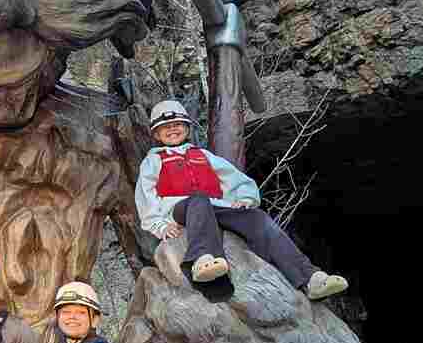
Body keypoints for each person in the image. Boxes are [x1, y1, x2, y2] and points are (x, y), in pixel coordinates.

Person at [135, 99, 350, 299]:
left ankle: (309, 278)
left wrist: (245, 198)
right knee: (198, 200)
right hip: (180, 210)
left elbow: (233, 178)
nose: (172, 129)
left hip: (215, 206)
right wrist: (160, 225)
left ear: (187, 128)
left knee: (255, 218)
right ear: (156, 134)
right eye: (165, 126)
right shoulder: (154, 161)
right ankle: (203, 259)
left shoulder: (203, 155)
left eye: (177, 124)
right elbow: (145, 196)